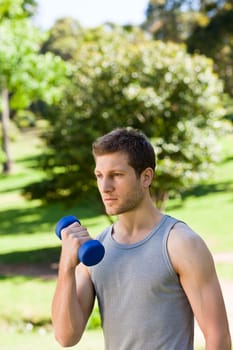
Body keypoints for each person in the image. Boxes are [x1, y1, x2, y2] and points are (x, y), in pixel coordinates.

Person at [51, 127, 231, 350]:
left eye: (116, 175)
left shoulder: (181, 244)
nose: (105, 187)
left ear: (146, 177)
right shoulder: (97, 249)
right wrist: (66, 267)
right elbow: (65, 336)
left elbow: (219, 338)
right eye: (99, 176)